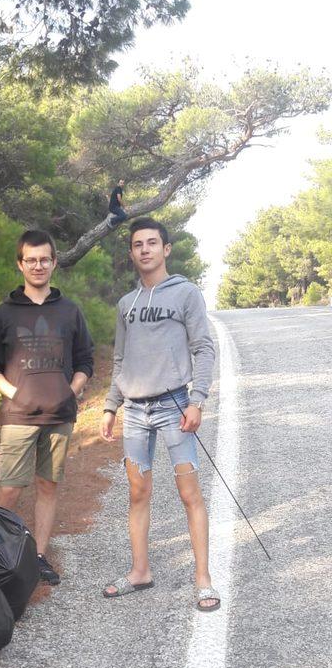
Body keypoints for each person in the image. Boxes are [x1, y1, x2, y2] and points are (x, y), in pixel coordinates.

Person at [100, 216, 220, 611]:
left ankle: (203, 579)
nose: (145, 250)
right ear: (132, 252)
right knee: (138, 492)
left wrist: (197, 400)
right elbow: (120, 360)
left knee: (189, 493)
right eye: (138, 244)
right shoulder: (126, 304)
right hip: (134, 410)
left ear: (166, 249)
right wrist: (110, 407)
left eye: (152, 243)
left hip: (174, 407)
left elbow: (204, 347)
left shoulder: (185, 294)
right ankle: (140, 572)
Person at [0, 229, 94, 586]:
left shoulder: (70, 311)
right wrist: (15, 394)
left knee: (48, 485)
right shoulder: (5, 313)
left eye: (45, 259)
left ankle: (39, 556)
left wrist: (70, 392)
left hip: (59, 416)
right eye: (31, 260)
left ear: (54, 262)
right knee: (10, 487)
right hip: (18, 417)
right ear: (20, 264)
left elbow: (85, 361)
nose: (38, 265)